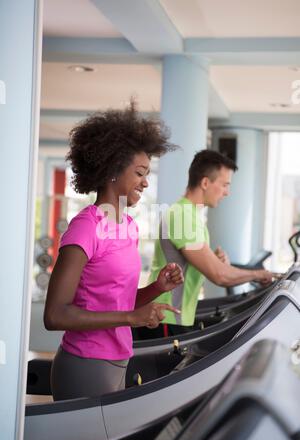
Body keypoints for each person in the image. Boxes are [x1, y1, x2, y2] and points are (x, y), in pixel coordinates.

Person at [43, 101, 184, 400]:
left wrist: (156, 288)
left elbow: (117, 301)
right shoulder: (85, 228)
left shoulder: (129, 226)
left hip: (118, 361)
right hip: (85, 364)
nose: (146, 182)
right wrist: (132, 318)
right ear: (111, 171)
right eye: (139, 173)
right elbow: (55, 315)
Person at [145, 149, 273, 337]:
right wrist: (258, 273)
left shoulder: (191, 216)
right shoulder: (182, 216)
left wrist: (214, 260)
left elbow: (203, 267)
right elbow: (219, 276)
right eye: (224, 185)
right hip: (165, 317)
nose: (227, 192)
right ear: (205, 182)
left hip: (175, 318)